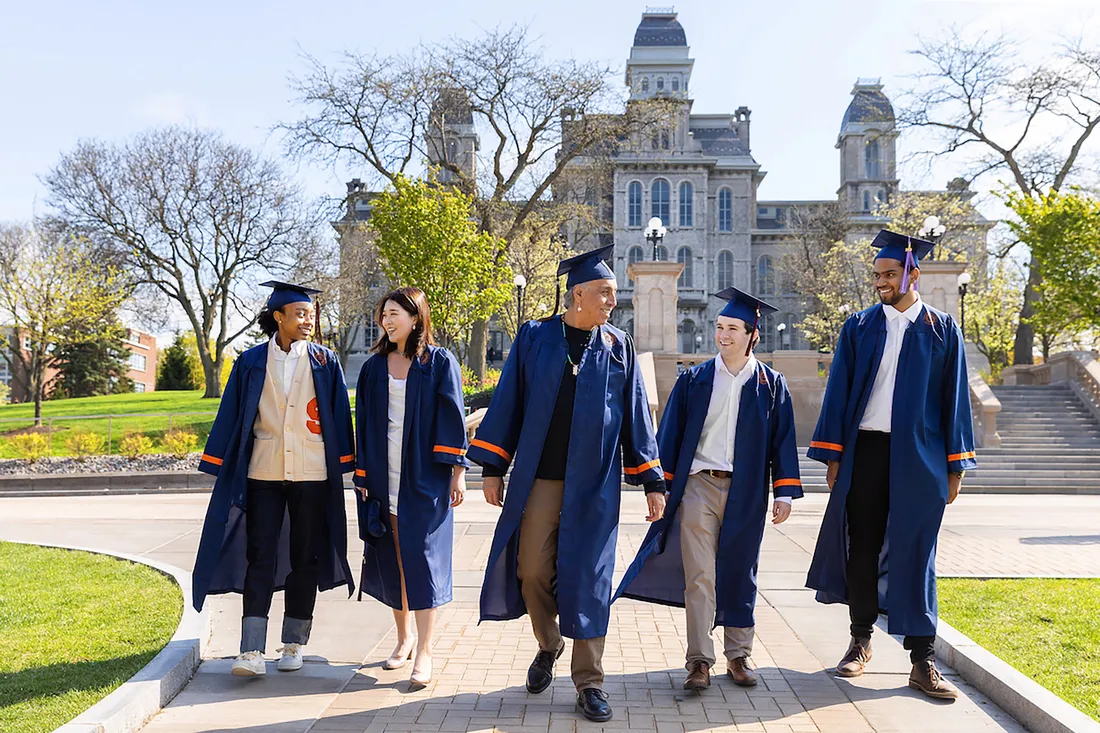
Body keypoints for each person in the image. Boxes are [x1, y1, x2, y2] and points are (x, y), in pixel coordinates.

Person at [468, 244, 665, 723]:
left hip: (595, 484)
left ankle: (589, 682)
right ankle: (549, 642)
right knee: (532, 571)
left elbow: (637, 416)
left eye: (613, 294)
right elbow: (509, 401)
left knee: (589, 581)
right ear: (577, 295)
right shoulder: (535, 338)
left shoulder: (620, 347)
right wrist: (493, 468)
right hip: (540, 479)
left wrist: (652, 480)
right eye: (604, 293)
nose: (611, 302)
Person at [805, 230, 977, 700]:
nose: (880, 282)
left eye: (889, 274)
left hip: (919, 455)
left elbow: (954, 400)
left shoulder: (943, 329)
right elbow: (838, 392)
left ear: (912, 273)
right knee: (861, 547)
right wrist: (833, 456)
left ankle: (922, 661)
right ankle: (859, 642)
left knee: (917, 552)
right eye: (876, 275)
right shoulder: (859, 327)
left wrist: (955, 466)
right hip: (866, 451)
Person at [615, 288, 803, 693]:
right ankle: (699, 660)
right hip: (699, 486)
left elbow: (782, 442)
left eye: (732, 328)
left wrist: (784, 491)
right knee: (700, 575)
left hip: (747, 491)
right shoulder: (695, 380)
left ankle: (739, 655)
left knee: (740, 570)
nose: (723, 335)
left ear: (753, 334)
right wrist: (659, 488)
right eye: (719, 327)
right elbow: (669, 437)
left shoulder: (771, 386)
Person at [192, 281, 356, 677]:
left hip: (312, 472)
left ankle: (293, 644)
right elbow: (231, 414)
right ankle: (250, 651)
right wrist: (217, 464)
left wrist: (348, 464)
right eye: (300, 314)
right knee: (259, 557)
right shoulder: (249, 361)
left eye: (311, 315)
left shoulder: (324, 361)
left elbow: (337, 415)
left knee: (306, 558)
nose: (308, 320)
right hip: (262, 472)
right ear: (278, 317)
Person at [353, 287, 468, 688]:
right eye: (383, 313)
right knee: (392, 558)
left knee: (423, 562)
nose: (387, 320)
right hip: (384, 478)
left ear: (416, 317)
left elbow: (453, 417)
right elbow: (364, 424)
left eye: (395, 313)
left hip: (424, 478)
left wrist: (457, 472)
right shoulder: (373, 368)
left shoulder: (438, 363)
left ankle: (425, 650)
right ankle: (403, 641)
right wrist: (363, 475)